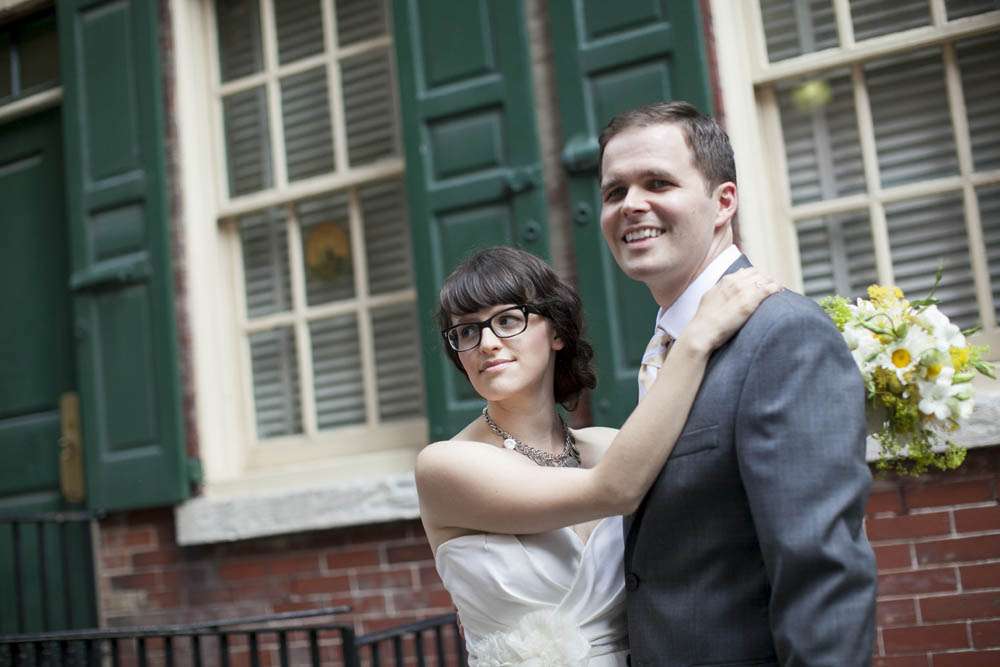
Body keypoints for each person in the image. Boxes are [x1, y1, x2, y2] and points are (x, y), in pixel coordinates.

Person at [598, 101, 877, 665]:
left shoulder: (783, 336)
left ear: (724, 201)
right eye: (614, 191)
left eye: (658, 183)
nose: (631, 204)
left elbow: (821, 569)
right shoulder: (667, 347)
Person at [417, 246, 779, 665]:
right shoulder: (444, 465)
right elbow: (614, 490)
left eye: (508, 320)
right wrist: (696, 339)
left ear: (557, 332)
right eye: (466, 332)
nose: (487, 344)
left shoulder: (611, 446)